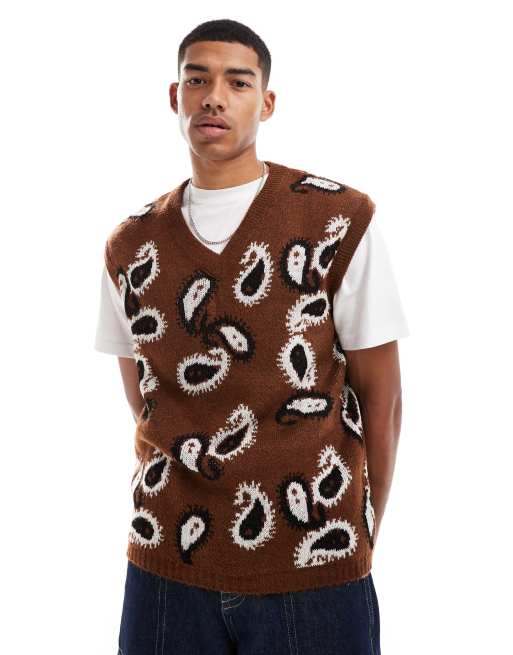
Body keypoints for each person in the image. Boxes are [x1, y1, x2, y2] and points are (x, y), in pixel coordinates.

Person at [94, 18, 409, 655]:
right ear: (175, 96)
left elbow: (384, 400)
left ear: (266, 103)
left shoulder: (337, 219)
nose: (214, 97)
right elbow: (145, 399)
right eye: (197, 80)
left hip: (313, 561)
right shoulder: (131, 244)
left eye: (237, 83)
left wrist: (362, 528)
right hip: (165, 560)